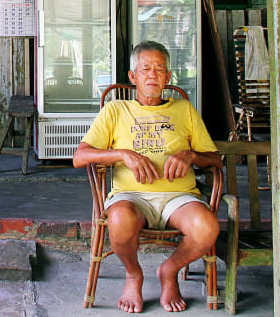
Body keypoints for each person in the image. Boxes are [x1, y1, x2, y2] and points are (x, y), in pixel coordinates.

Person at [72, 41, 221, 313]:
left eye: (159, 69)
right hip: (131, 197)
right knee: (119, 219)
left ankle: (169, 270)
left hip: (180, 197)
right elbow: (80, 157)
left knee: (207, 227)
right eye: (146, 69)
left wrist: (191, 156)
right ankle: (133, 275)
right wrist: (123, 154)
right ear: (133, 77)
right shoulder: (115, 111)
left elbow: (215, 159)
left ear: (168, 77)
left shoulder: (184, 110)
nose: (153, 75)